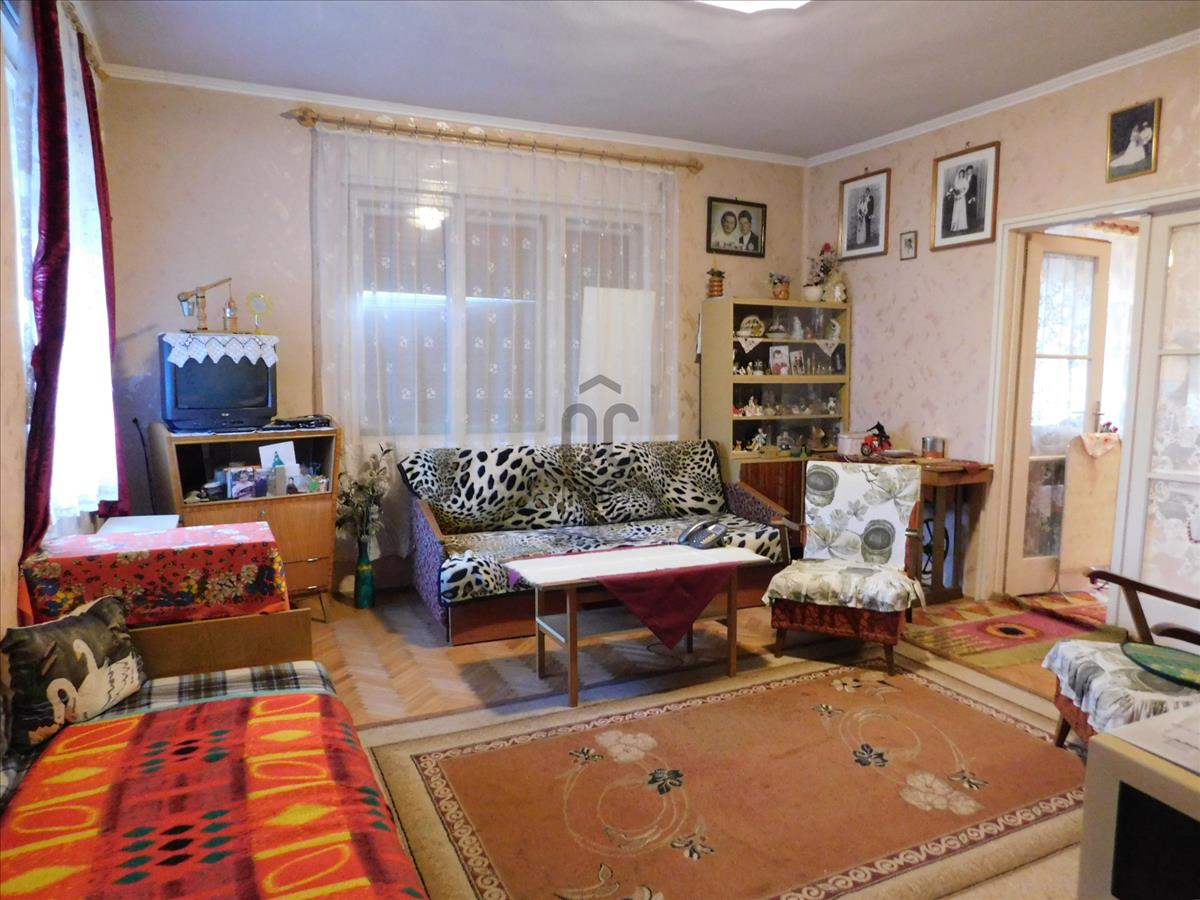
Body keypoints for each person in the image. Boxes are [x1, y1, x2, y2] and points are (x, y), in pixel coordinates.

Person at [948, 167, 969, 232]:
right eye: (960, 173)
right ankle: (955, 227)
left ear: (963, 174)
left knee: (961, 211)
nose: (961, 174)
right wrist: (955, 195)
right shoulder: (956, 181)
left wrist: (961, 195)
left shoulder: (965, 180)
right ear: (959, 173)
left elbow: (966, 189)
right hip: (956, 198)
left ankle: (962, 226)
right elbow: (954, 189)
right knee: (956, 210)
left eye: (962, 173)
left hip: (962, 197)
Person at [965, 165, 979, 231]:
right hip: (966, 195)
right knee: (967, 210)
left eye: (971, 170)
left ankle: (973, 225)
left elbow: (975, 187)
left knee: (972, 210)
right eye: (969, 170)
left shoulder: (974, 177)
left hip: (972, 195)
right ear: (967, 171)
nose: (970, 171)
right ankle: (968, 225)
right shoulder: (965, 178)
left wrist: (973, 197)